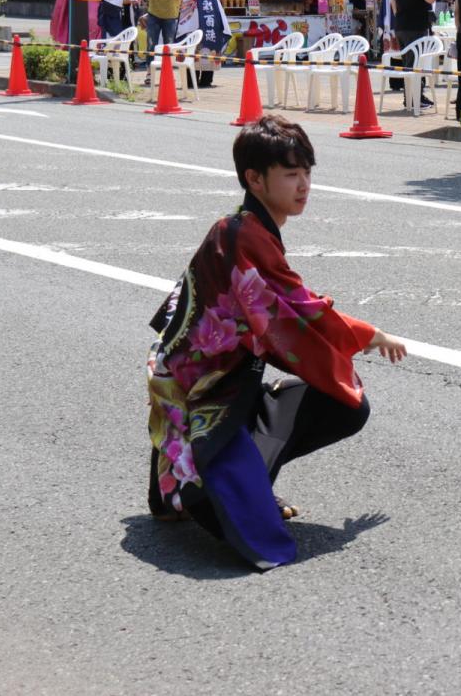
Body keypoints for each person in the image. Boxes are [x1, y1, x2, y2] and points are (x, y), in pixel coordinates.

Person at [146, 115, 407, 570]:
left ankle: (201, 471)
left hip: (207, 379)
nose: (303, 184)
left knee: (334, 400)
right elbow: (299, 311)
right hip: (210, 389)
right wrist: (370, 336)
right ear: (254, 178)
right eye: (291, 173)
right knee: (345, 407)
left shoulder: (241, 229)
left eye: (307, 171)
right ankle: (205, 476)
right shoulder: (242, 234)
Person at [388, 0, 439, 109]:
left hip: (401, 25)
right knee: (417, 63)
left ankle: (411, 97)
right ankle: (414, 98)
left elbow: (393, 3)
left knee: (408, 63)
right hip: (416, 26)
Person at [179, 0, 231, 88]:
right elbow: (217, 6)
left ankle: (192, 80)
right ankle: (207, 80)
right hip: (211, 23)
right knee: (209, 48)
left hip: (193, 25)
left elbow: (186, 6)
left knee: (193, 50)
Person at [138, 0, 181, 74]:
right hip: (154, 16)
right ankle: (149, 73)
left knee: (169, 45)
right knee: (151, 44)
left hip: (171, 17)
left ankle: (168, 72)